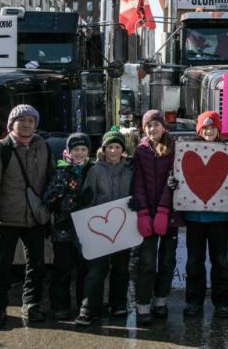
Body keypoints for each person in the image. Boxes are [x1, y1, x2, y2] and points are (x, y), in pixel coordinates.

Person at [0, 104, 54, 330]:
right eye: (22, 120)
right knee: (1, 266)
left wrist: (49, 211)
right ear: (12, 123)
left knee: (36, 265)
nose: (27, 124)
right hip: (6, 218)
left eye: (31, 121)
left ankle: (31, 304)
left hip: (35, 218)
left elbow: (51, 182)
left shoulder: (44, 147)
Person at [74, 127, 135, 326]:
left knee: (121, 268)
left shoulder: (129, 171)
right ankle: (90, 308)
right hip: (99, 227)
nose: (113, 151)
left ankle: (118, 304)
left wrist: (136, 203)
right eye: (110, 147)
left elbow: (135, 193)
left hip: (123, 226)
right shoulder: (95, 170)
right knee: (97, 269)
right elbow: (87, 199)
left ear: (122, 150)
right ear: (104, 149)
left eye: (117, 147)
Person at [179, 111, 228, 319]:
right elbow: (182, 174)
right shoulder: (187, 151)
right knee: (194, 261)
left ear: (218, 129)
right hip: (194, 217)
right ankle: (193, 301)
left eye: (212, 128)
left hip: (219, 217)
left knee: (220, 261)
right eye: (205, 128)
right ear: (199, 130)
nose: (209, 131)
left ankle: (222, 303)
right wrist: (175, 183)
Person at [132, 109, 178, 326]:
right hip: (146, 216)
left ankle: (161, 301)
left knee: (167, 260)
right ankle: (142, 305)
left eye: (156, 125)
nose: (153, 129)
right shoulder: (140, 151)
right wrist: (143, 212)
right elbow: (138, 182)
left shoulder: (175, 148)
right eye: (149, 125)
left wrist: (163, 209)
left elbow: (173, 180)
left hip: (169, 214)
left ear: (163, 126)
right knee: (147, 262)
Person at [41, 132, 93, 321]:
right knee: (62, 269)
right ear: (68, 152)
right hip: (63, 229)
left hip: (87, 230)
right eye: (75, 150)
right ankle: (60, 307)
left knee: (84, 269)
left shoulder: (92, 170)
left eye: (83, 149)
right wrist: (70, 199)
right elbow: (49, 200)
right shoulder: (61, 171)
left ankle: (84, 306)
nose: (79, 153)